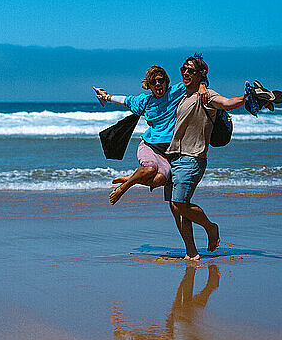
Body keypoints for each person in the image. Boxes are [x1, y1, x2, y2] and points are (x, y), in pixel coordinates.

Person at [165, 54, 246, 260]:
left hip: (192, 157)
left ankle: (211, 227)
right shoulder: (183, 95)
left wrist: (246, 98)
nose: (185, 73)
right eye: (183, 69)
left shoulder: (207, 95)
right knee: (176, 207)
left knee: (181, 203)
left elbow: (227, 102)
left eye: (190, 70)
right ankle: (191, 252)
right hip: (174, 157)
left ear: (201, 74)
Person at [96, 65, 208, 204]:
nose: (157, 84)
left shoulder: (176, 92)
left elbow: (194, 81)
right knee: (149, 169)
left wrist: (202, 86)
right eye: (153, 82)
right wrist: (105, 96)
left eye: (160, 80)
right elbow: (126, 100)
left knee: (160, 180)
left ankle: (131, 178)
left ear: (166, 81)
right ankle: (124, 188)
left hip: (167, 152)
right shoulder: (146, 101)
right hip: (149, 146)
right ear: (149, 85)